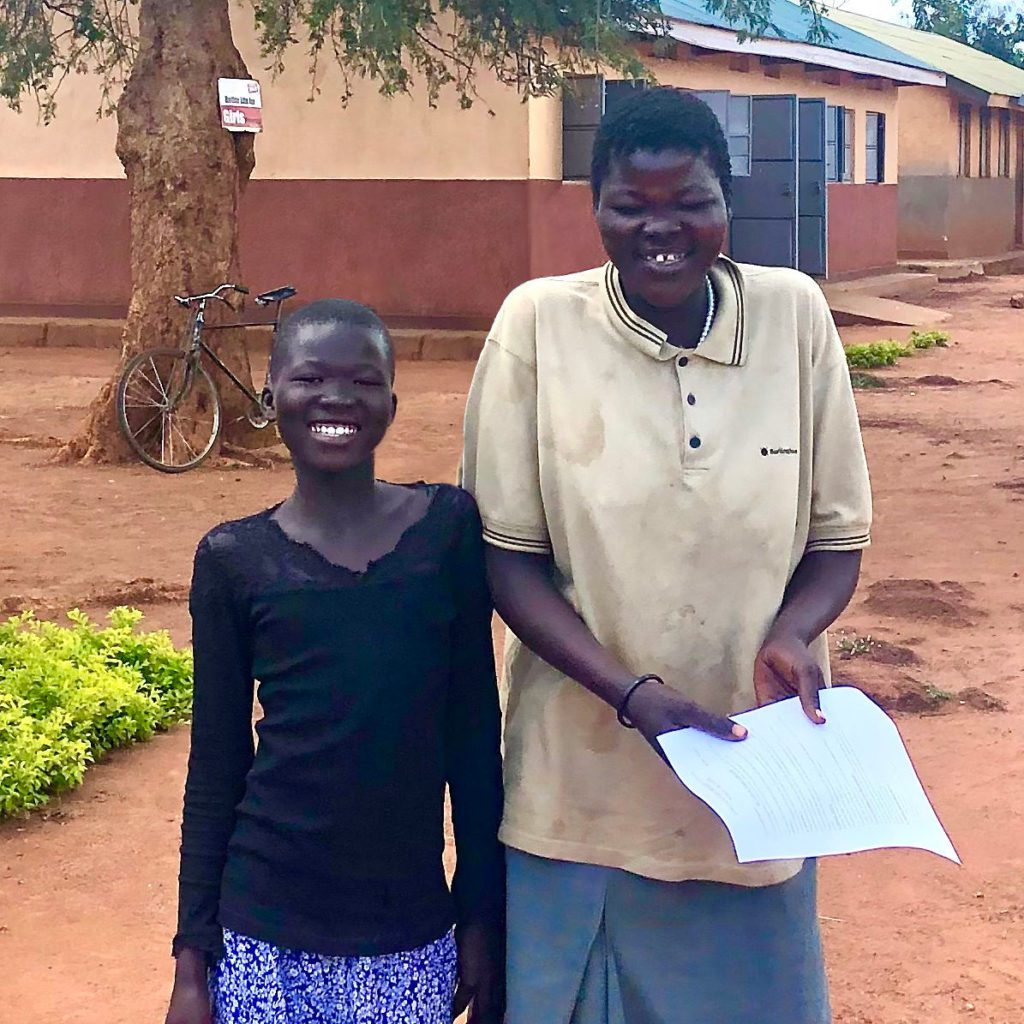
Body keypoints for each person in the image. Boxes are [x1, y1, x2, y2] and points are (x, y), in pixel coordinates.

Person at [460, 88, 872, 1023]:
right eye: (629, 206)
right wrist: (633, 696)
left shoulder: (795, 319)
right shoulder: (537, 327)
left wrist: (795, 633)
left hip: (751, 787)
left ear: (726, 202)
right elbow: (508, 561)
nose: (661, 230)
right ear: (593, 207)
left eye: (689, 201)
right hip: (581, 789)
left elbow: (837, 540)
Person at [166, 299, 505, 1024]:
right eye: (311, 378)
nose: (336, 399)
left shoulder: (447, 532)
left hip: (410, 932)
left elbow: (475, 737)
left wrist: (482, 917)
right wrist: (192, 963)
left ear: (391, 401)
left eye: (362, 381)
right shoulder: (234, 560)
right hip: (263, 932)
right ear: (269, 397)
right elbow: (217, 764)